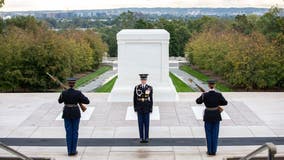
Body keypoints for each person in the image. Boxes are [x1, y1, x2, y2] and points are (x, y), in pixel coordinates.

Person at [58, 77, 90, 156]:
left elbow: (59, 101)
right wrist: (78, 99)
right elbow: (87, 101)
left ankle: (69, 151)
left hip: (67, 113)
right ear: (74, 83)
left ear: (68, 84)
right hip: (75, 113)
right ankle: (73, 150)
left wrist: (62, 93)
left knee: (69, 132)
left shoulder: (64, 92)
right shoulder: (78, 93)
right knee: (75, 132)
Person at [196, 79, 228, 156]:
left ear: (208, 85)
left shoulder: (205, 95)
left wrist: (202, 95)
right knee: (215, 134)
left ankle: (209, 151)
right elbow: (225, 102)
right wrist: (217, 102)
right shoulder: (218, 94)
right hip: (216, 115)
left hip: (208, 116)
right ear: (214, 85)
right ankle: (214, 151)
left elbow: (198, 101)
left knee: (208, 134)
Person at [133, 74, 153, 143]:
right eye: (142, 80)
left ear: (146, 80)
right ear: (140, 80)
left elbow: (151, 99)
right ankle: (141, 137)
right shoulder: (137, 87)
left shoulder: (149, 88)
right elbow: (135, 99)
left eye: (144, 80)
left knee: (147, 123)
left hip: (147, 108)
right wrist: (135, 108)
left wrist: (151, 108)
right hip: (139, 108)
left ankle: (146, 137)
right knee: (140, 123)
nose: (143, 81)